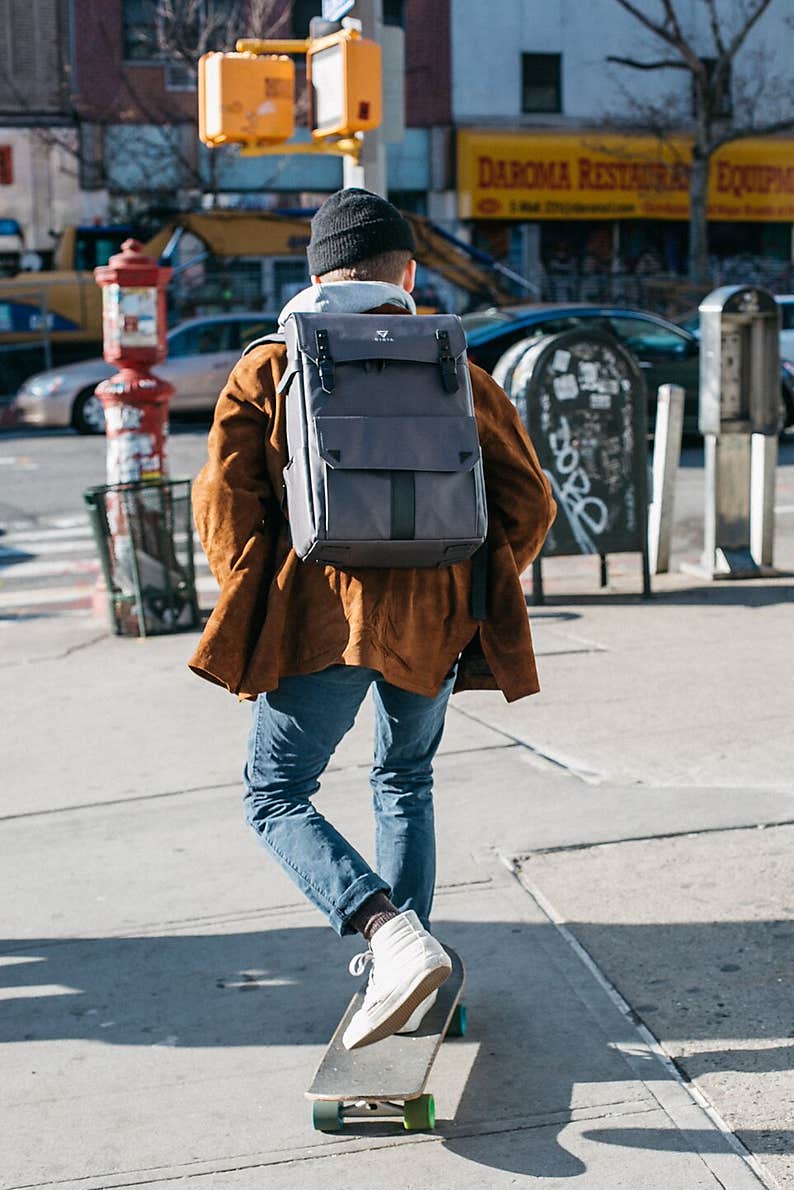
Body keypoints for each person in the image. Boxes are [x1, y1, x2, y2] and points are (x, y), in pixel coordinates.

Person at [189, 188, 555, 1050]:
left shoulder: (270, 367)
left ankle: (387, 935)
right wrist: (475, 588)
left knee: (275, 793)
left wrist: (253, 601)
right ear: (409, 273)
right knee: (405, 781)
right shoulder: (455, 368)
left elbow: (224, 509)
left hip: (320, 613)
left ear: (314, 273)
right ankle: (415, 971)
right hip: (435, 617)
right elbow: (530, 501)